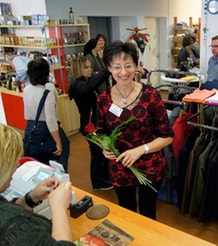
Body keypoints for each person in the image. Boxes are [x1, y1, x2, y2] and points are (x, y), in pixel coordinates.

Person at [97, 40, 174, 219]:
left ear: (136, 66)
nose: (123, 72)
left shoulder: (151, 95)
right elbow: (100, 130)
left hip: (150, 165)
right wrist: (104, 147)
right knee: (127, 213)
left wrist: (140, 150)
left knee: (148, 214)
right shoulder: (103, 99)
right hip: (120, 166)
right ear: (109, 67)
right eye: (117, 67)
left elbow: (168, 136)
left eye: (128, 65)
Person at [0, 123, 74, 245]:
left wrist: (31, 198)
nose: (17, 165)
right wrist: (59, 208)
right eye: (13, 161)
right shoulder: (16, 228)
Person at [68, 57, 113, 190]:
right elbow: (90, 86)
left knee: (101, 152)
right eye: (86, 67)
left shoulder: (86, 83)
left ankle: (104, 178)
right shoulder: (78, 85)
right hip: (89, 126)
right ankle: (98, 183)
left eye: (90, 67)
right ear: (78, 69)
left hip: (95, 123)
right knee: (97, 153)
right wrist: (108, 69)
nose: (90, 70)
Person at [23, 58, 70, 171]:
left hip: (30, 130)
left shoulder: (26, 89)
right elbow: (51, 121)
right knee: (60, 159)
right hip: (46, 131)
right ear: (46, 74)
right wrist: (59, 143)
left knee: (35, 164)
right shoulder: (47, 93)